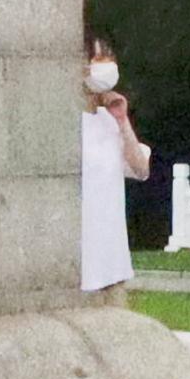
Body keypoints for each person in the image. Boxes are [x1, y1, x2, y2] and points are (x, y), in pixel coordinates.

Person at [80, 34, 151, 299]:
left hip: (110, 259)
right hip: (80, 255)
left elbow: (141, 170)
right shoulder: (68, 123)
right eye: (98, 58)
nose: (105, 65)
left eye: (108, 58)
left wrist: (122, 121)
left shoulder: (108, 120)